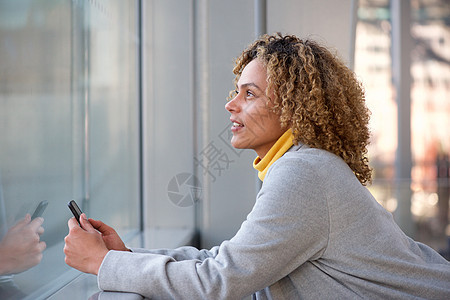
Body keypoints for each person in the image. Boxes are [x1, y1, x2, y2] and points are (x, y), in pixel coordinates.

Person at [64, 33, 450, 299]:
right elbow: (228, 263)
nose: (231, 105)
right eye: (237, 91)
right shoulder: (302, 167)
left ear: (294, 109)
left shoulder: (304, 174)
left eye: (250, 94)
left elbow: (219, 283)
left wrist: (104, 263)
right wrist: (127, 256)